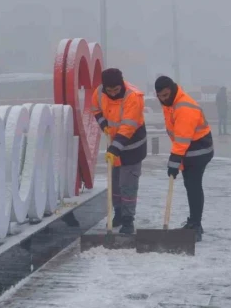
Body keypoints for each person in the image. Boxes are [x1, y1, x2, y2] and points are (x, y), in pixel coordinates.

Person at [155, 75, 214, 241]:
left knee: (193, 184)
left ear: (172, 90)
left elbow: (182, 139)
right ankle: (194, 222)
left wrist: (174, 163)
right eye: (160, 96)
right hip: (188, 148)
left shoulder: (184, 107)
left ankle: (196, 225)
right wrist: (177, 161)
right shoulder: (170, 103)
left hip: (199, 149)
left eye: (166, 95)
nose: (163, 99)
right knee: (190, 184)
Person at [91, 68, 147, 234]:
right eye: (110, 90)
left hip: (132, 148)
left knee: (127, 185)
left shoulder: (133, 97)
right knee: (114, 184)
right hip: (113, 145)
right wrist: (104, 126)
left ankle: (128, 221)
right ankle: (119, 214)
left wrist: (114, 148)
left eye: (116, 90)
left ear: (122, 84)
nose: (113, 93)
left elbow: (128, 127)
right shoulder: (99, 92)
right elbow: (96, 110)